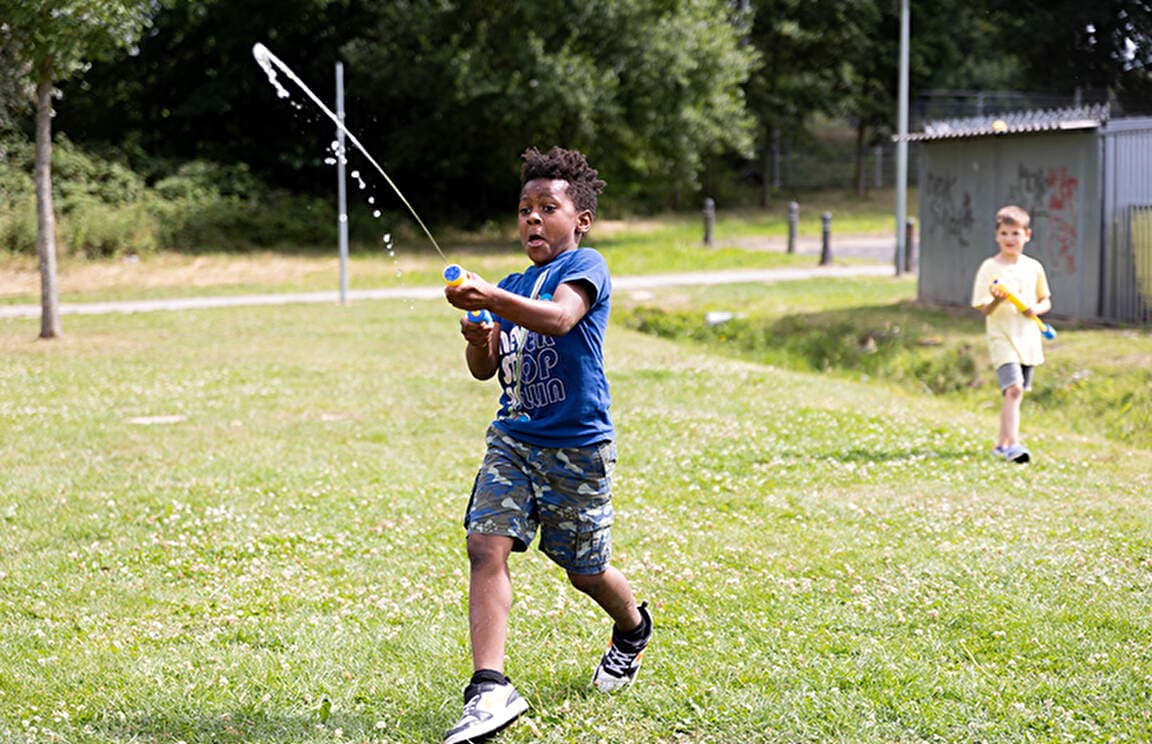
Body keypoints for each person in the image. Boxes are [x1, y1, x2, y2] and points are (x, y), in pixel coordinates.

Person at [441, 146, 652, 744]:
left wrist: (493, 301)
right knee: (485, 545)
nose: (533, 219)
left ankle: (632, 628)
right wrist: (479, 333)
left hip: (576, 447)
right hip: (514, 437)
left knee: (584, 570)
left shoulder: (586, 267)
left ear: (579, 219)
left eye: (547, 208)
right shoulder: (511, 283)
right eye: (524, 209)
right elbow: (483, 371)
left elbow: (559, 320)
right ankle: (489, 688)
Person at [971, 205, 1052, 464]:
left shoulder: (1033, 267)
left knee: (1014, 394)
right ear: (996, 235)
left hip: (1027, 340)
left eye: (1015, 233)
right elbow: (984, 309)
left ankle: (1000, 444)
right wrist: (996, 301)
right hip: (1001, 338)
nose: (1010, 239)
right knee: (1014, 389)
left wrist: (1034, 309)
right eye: (1004, 233)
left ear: (1027, 235)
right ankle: (1014, 446)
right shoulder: (989, 267)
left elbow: (1045, 300)